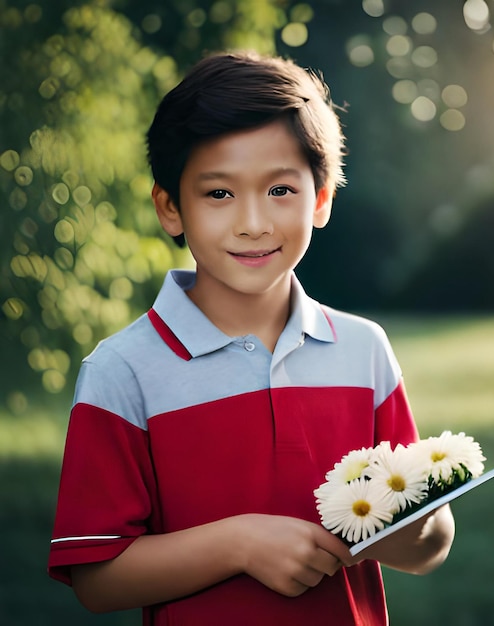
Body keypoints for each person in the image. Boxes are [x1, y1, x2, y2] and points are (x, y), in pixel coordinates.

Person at [48, 51, 455, 625]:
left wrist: (410, 529)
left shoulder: (364, 350)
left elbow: (430, 544)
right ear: (170, 208)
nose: (254, 222)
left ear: (320, 199)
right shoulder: (123, 371)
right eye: (218, 194)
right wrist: (238, 544)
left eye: (280, 190)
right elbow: (95, 576)